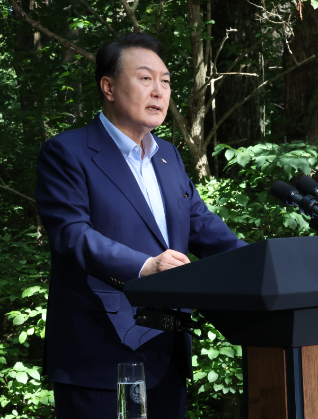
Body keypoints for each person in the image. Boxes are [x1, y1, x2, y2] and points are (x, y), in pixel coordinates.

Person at [35, 33, 247, 418]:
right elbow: (71, 235)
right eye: (146, 79)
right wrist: (145, 267)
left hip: (167, 349)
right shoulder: (68, 152)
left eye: (165, 81)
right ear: (109, 87)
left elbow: (202, 225)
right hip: (100, 353)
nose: (159, 91)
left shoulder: (167, 156)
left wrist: (262, 264)